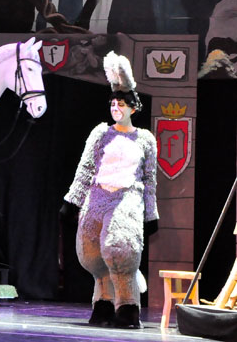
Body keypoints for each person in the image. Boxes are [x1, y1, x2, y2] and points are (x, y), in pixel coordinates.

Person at [60, 51, 159, 329]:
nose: (116, 107)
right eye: (113, 103)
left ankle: (127, 308)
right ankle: (102, 305)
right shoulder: (101, 133)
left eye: (121, 104)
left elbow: (150, 179)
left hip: (126, 199)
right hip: (97, 197)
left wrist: (151, 213)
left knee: (119, 249)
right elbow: (86, 168)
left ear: (132, 108)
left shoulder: (145, 140)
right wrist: (72, 200)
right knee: (91, 253)